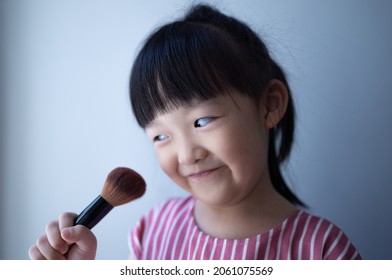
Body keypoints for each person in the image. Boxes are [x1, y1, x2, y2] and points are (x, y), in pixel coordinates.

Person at [28, 4, 361, 260]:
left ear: (269, 106)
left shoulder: (324, 250)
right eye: (160, 136)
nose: (187, 154)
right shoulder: (153, 231)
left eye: (202, 122)